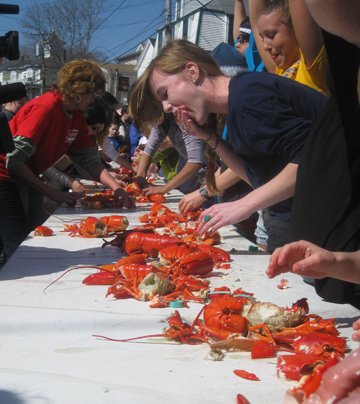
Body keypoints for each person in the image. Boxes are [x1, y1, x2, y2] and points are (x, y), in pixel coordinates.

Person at [129, 39, 327, 252]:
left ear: (193, 72)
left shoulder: (249, 98)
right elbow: (255, 176)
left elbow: (311, 159)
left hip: (331, 220)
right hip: (305, 217)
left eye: (165, 94)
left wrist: (243, 205)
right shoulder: (238, 101)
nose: (166, 107)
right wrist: (209, 137)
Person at [0, 59, 134, 263]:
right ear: (78, 89)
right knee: (18, 246)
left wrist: (116, 188)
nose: (93, 99)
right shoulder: (46, 107)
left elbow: (89, 159)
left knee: (28, 239)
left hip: (22, 178)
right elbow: (14, 160)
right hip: (4, 177)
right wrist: (51, 192)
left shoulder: (76, 116)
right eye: (93, 93)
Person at [249, 0, 329, 95]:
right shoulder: (280, 70)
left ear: (295, 28)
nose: (265, 47)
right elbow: (254, 21)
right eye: (262, 38)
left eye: (270, 35)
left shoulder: (314, 71)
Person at [135, 113, 207, 196]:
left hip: (211, 175)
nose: (167, 107)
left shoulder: (185, 121)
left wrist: (164, 188)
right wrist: (140, 179)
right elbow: (148, 151)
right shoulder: (161, 123)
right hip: (202, 177)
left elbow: (195, 161)